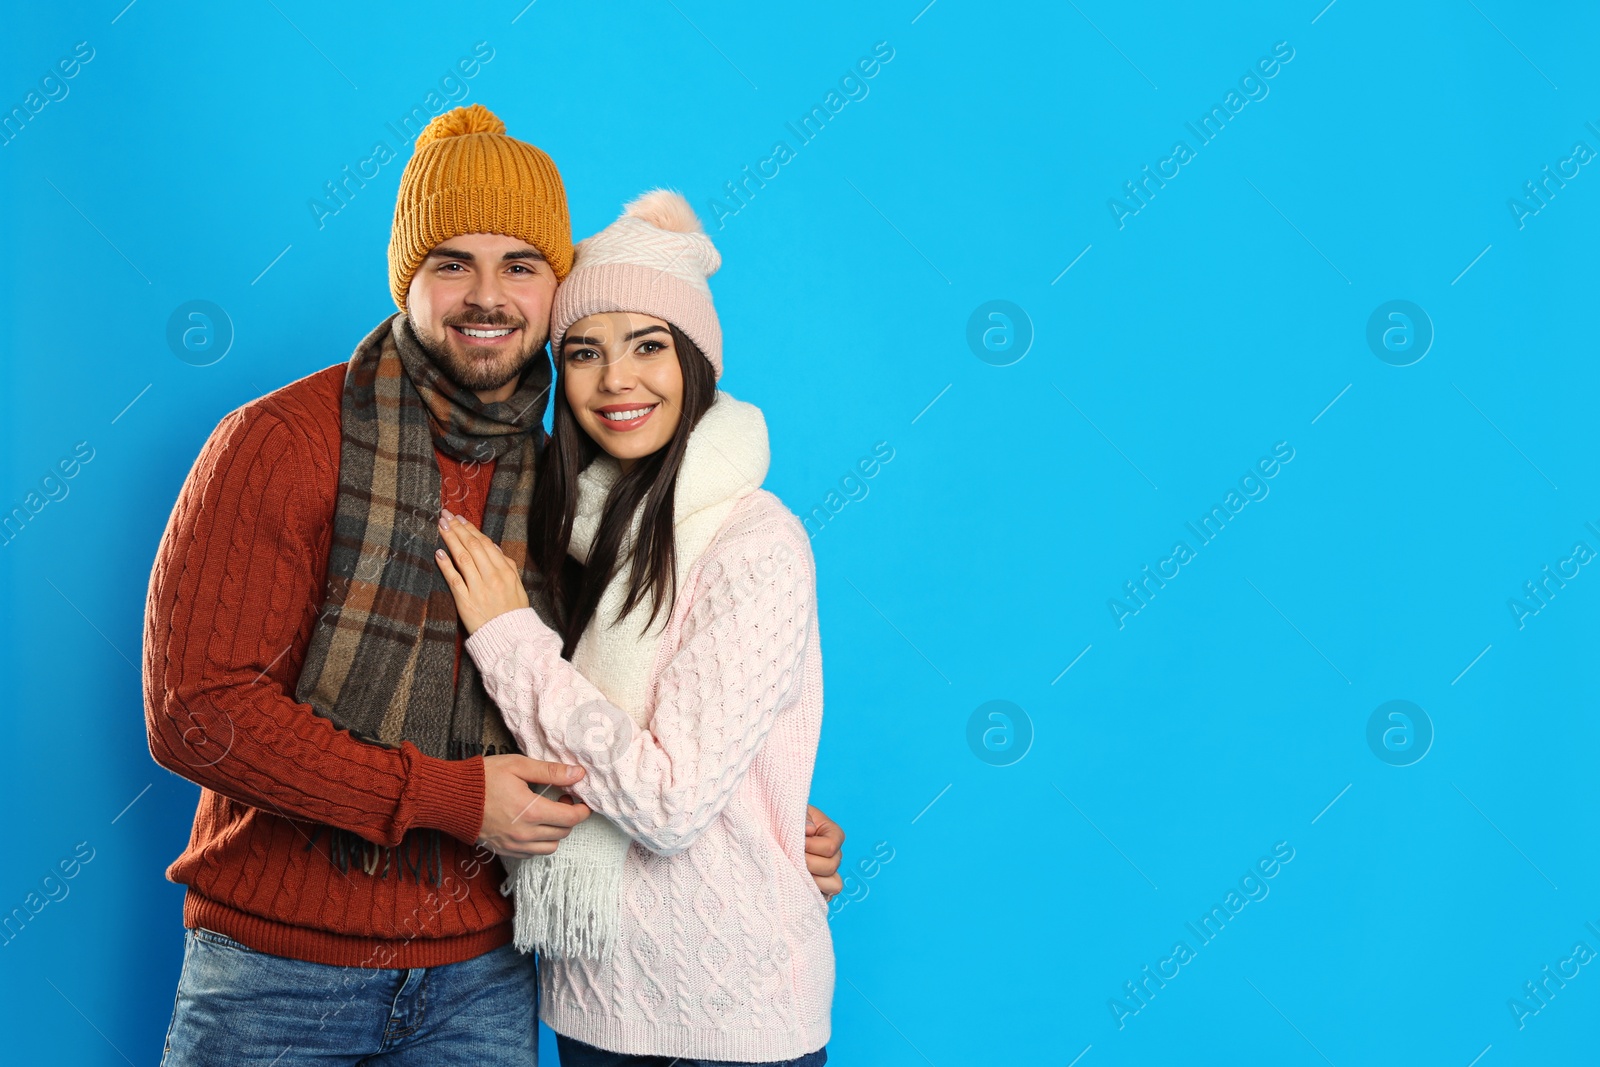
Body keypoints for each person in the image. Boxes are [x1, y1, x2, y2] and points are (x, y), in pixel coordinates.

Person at [142, 104, 845, 1067]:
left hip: (487, 973)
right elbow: (198, 712)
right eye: (451, 263)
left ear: (551, 291)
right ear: (407, 279)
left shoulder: (564, 486)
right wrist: (449, 797)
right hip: (280, 970)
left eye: (520, 264)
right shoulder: (283, 444)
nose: (488, 295)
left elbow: (621, 705)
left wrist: (760, 820)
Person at [433, 189, 832, 1066]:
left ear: (696, 359)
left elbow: (671, 799)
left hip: (733, 1012)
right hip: (590, 1001)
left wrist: (509, 640)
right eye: (585, 352)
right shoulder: (577, 529)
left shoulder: (755, 539)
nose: (617, 380)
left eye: (649, 345)